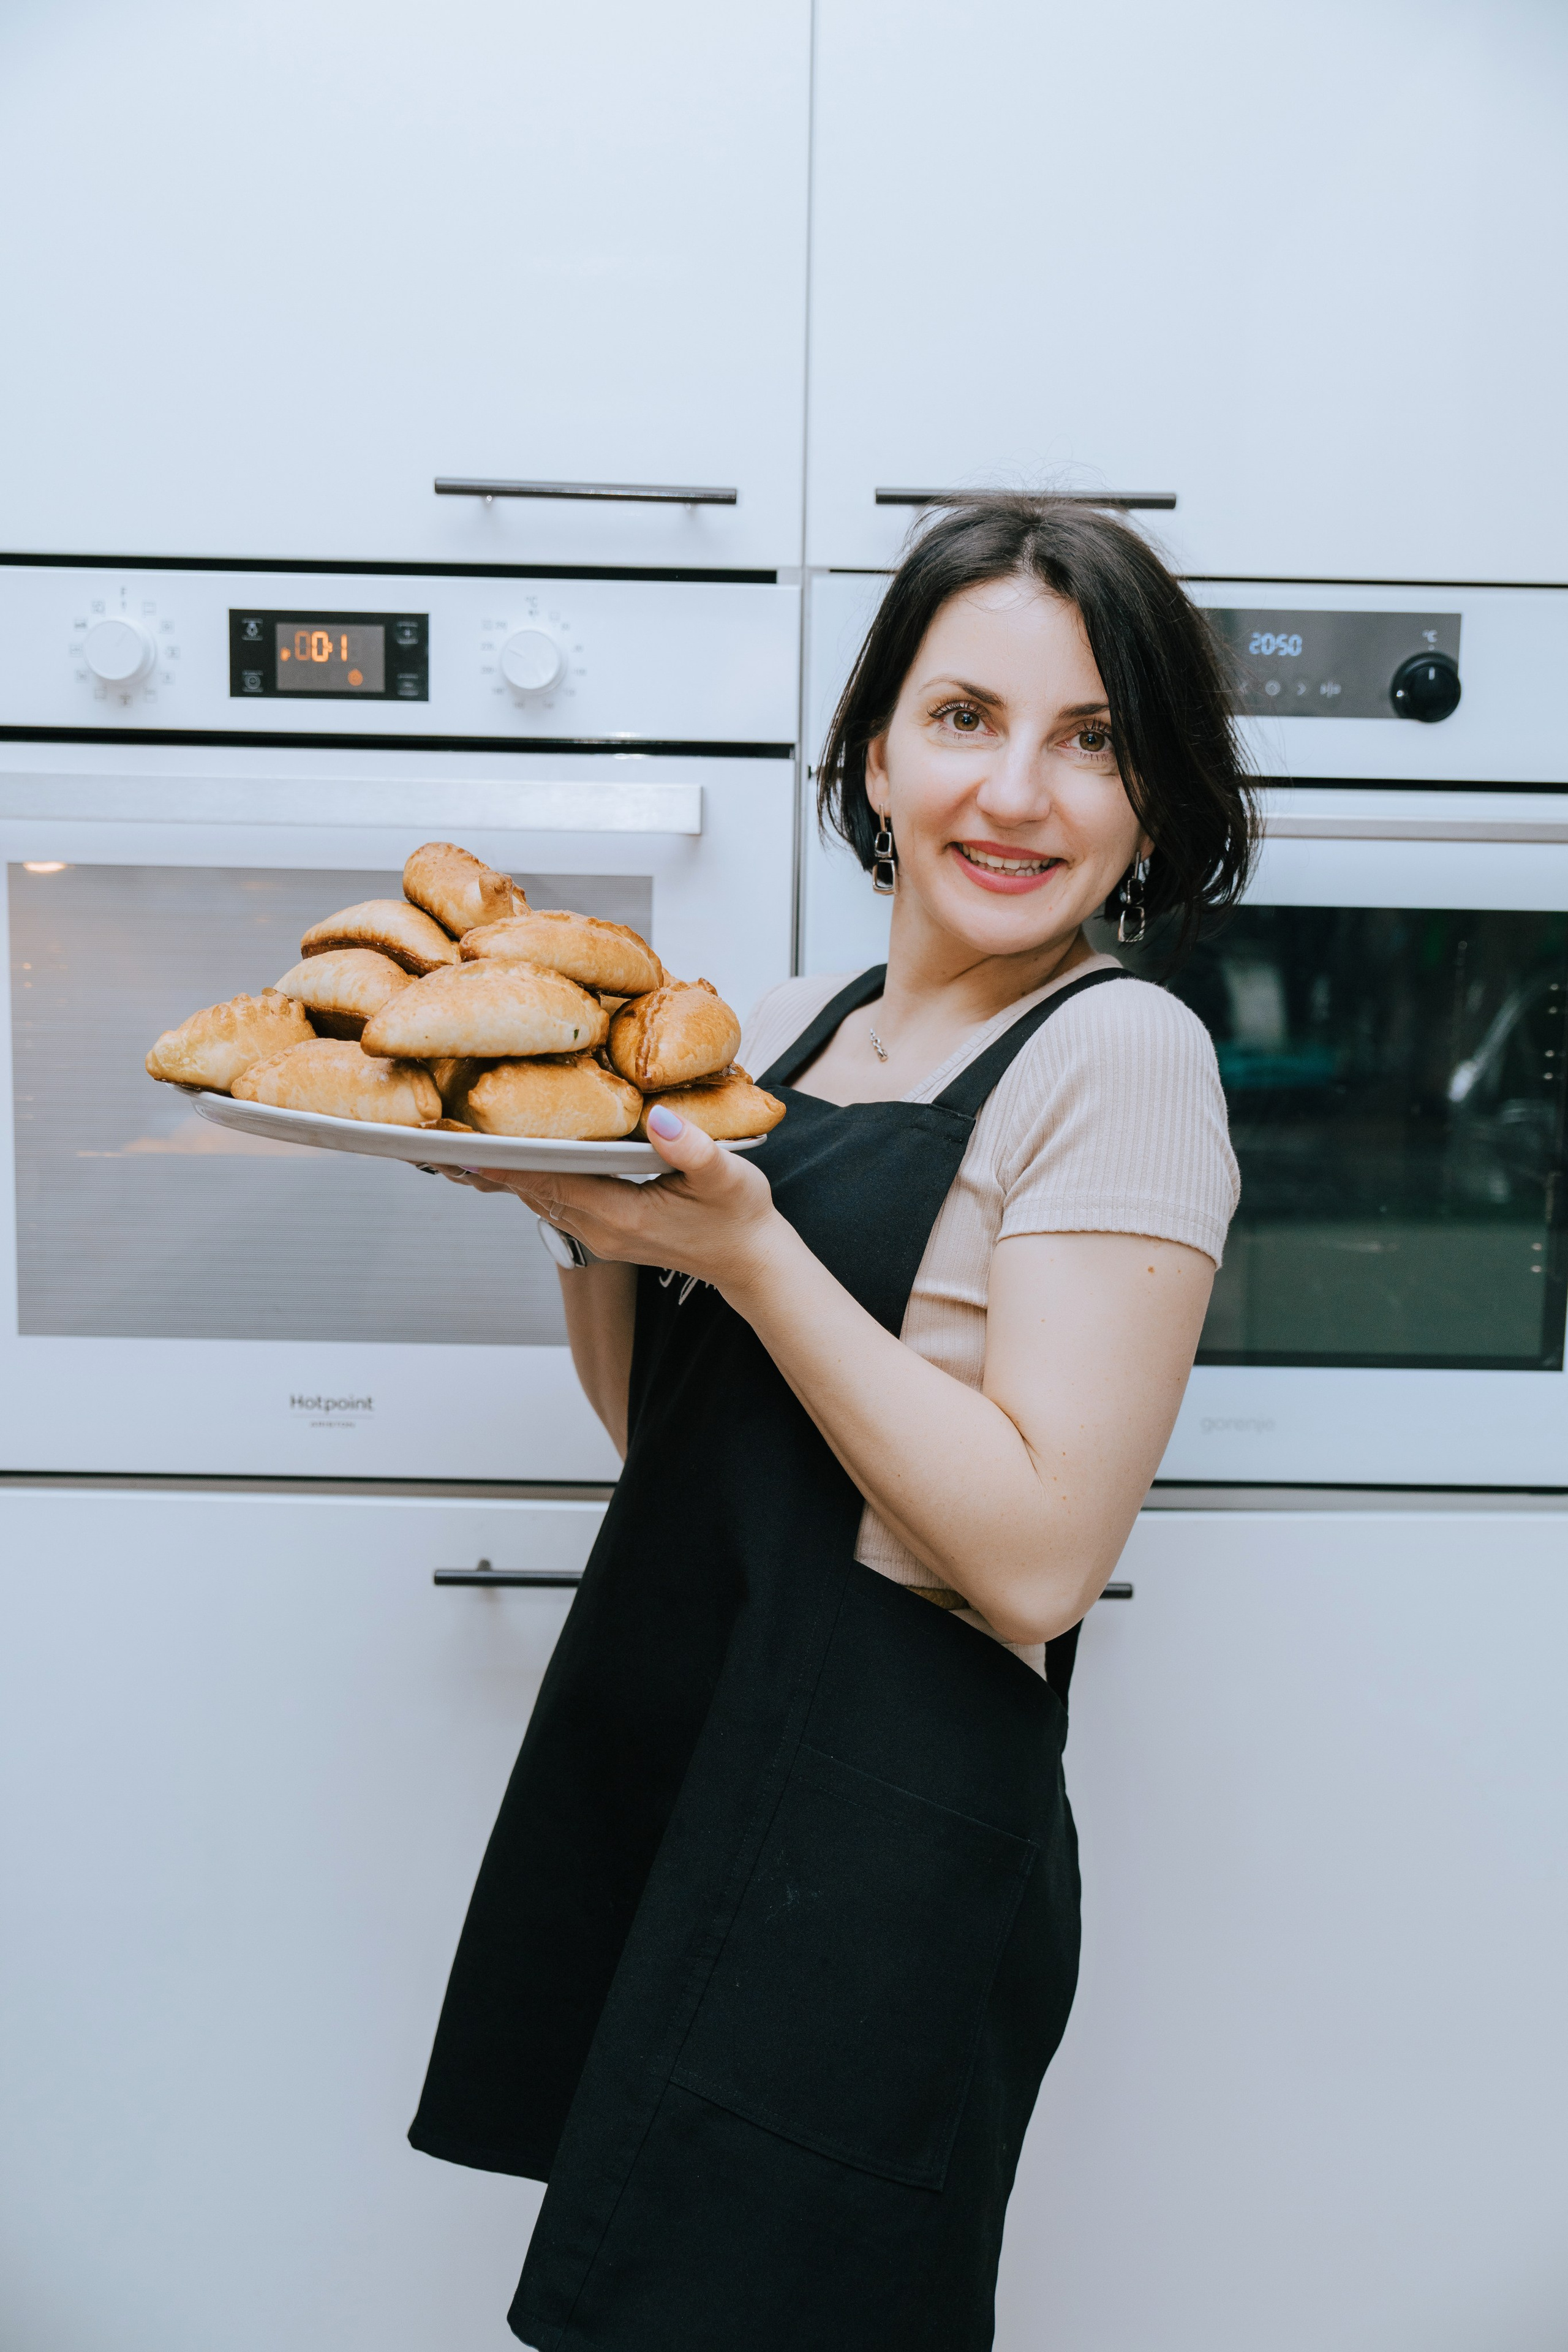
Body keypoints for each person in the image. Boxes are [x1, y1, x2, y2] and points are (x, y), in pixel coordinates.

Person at [409, 496, 1254, 2351]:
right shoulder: (785, 1028)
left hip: (880, 1847)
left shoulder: (1122, 1056)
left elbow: (1037, 1564)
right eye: (965, 718)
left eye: (1093, 738)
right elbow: (673, 1435)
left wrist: (750, 1249)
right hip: (689, 1757)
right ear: (875, 750)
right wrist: (584, 1224)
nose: (1017, 793)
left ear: (1155, 796)